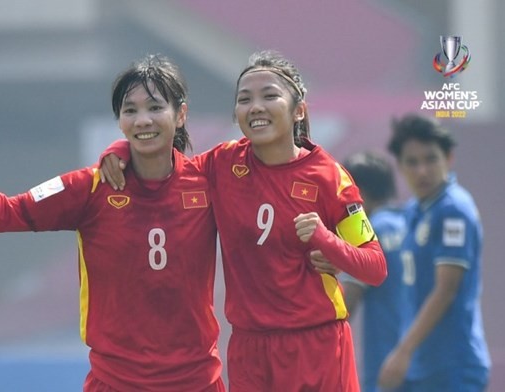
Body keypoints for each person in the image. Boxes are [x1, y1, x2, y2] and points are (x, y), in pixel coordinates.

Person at [100, 50, 387, 391]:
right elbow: (167, 167)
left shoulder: (330, 177)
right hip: (249, 351)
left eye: (270, 96)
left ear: (298, 110)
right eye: (244, 99)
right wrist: (118, 149)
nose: (256, 107)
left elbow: (375, 267)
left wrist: (329, 241)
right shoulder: (222, 163)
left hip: (317, 344)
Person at [0, 55, 226, 392]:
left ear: (180, 115)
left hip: (196, 383)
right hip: (116, 383)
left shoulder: (208, 180)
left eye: (154, 107)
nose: (142, 120)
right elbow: (1, 215)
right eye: (130, 110)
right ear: (119, 122)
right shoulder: (89, 187)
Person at [378, 113, 491, 391]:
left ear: (448, 159)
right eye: (412, 162)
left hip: (454, 367)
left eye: (431, 159)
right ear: (400, 167)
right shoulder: (415, 210)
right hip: (421, 365)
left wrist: (403, 351)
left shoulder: (453, 210)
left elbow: (446, 290)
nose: (422, 171)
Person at [338, 151, 408, 392]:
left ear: (359, 193)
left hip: (386, 366)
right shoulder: (412, 223)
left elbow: (347, 305)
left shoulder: (368, 234)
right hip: (424, 362)